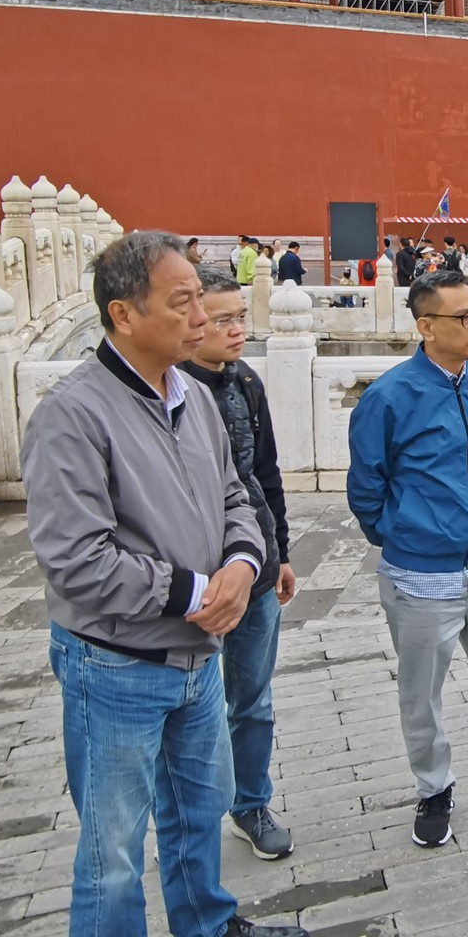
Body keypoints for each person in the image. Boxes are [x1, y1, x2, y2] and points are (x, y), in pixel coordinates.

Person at [23, 232, 309, 937]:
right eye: (181, 300)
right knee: (112, 849)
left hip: (196, 656)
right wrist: (194, 593)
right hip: (118, 663)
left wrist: (244, 563)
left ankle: (206, 928)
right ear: (124, 313)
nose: (202, 313)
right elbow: (74, 558)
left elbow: (235, 494)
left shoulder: (190, 394)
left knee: (201, 804)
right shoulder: (73, 415)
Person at [347, 269, 468, 848]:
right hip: (420, 575)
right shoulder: (389, 397)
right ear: (425, 326)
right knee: (422, 692)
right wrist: (403, 533)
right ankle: (434, 786)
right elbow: (366, 487)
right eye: (465, 319)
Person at [184, 266, 298, 861]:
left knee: (252, 698)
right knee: (185, 703)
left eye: (241, 317)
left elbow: (265, 474)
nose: (236, 331)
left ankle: (250, 802)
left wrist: (279, 551)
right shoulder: (165, 390)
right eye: (223, 319)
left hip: (255, 566)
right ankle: (184, 812)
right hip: (191, 580)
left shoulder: (244, 382)